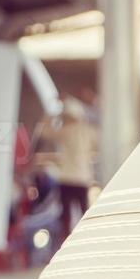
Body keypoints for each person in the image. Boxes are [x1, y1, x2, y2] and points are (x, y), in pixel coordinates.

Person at [48, 94, 97, 247]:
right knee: (84, 214)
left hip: (67, 178)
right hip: (82, 178)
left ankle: (65, 245)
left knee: (66, 217)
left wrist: (52, 115)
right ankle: (87, 243)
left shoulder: (65, 131)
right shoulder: (88, 131)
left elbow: (45, 131)